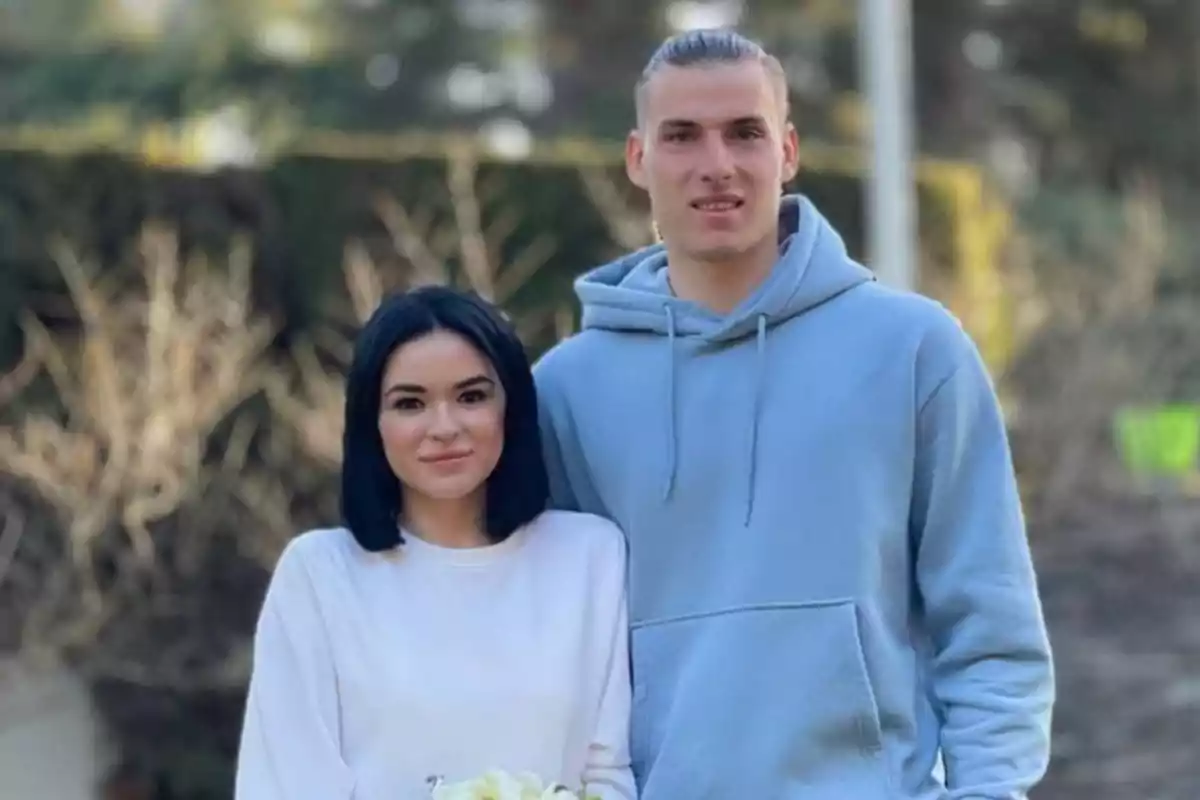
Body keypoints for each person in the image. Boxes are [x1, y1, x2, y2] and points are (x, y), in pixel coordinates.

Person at [534, 28, 1055, 800]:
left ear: (788, 150)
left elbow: (990, 626)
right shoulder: (566, 389)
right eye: (682, 136)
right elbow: (546, 651)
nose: (717, 164)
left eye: (744, 132)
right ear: (638, 159)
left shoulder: (913, 349)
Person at [234, 286, 636, 800]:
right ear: (371, 423)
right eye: (410, 403)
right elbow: (285, 785)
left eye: (471, 396)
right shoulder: (318, 575)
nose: (444, 427)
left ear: (509, 407)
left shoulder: (591, 557)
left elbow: (609, 776)